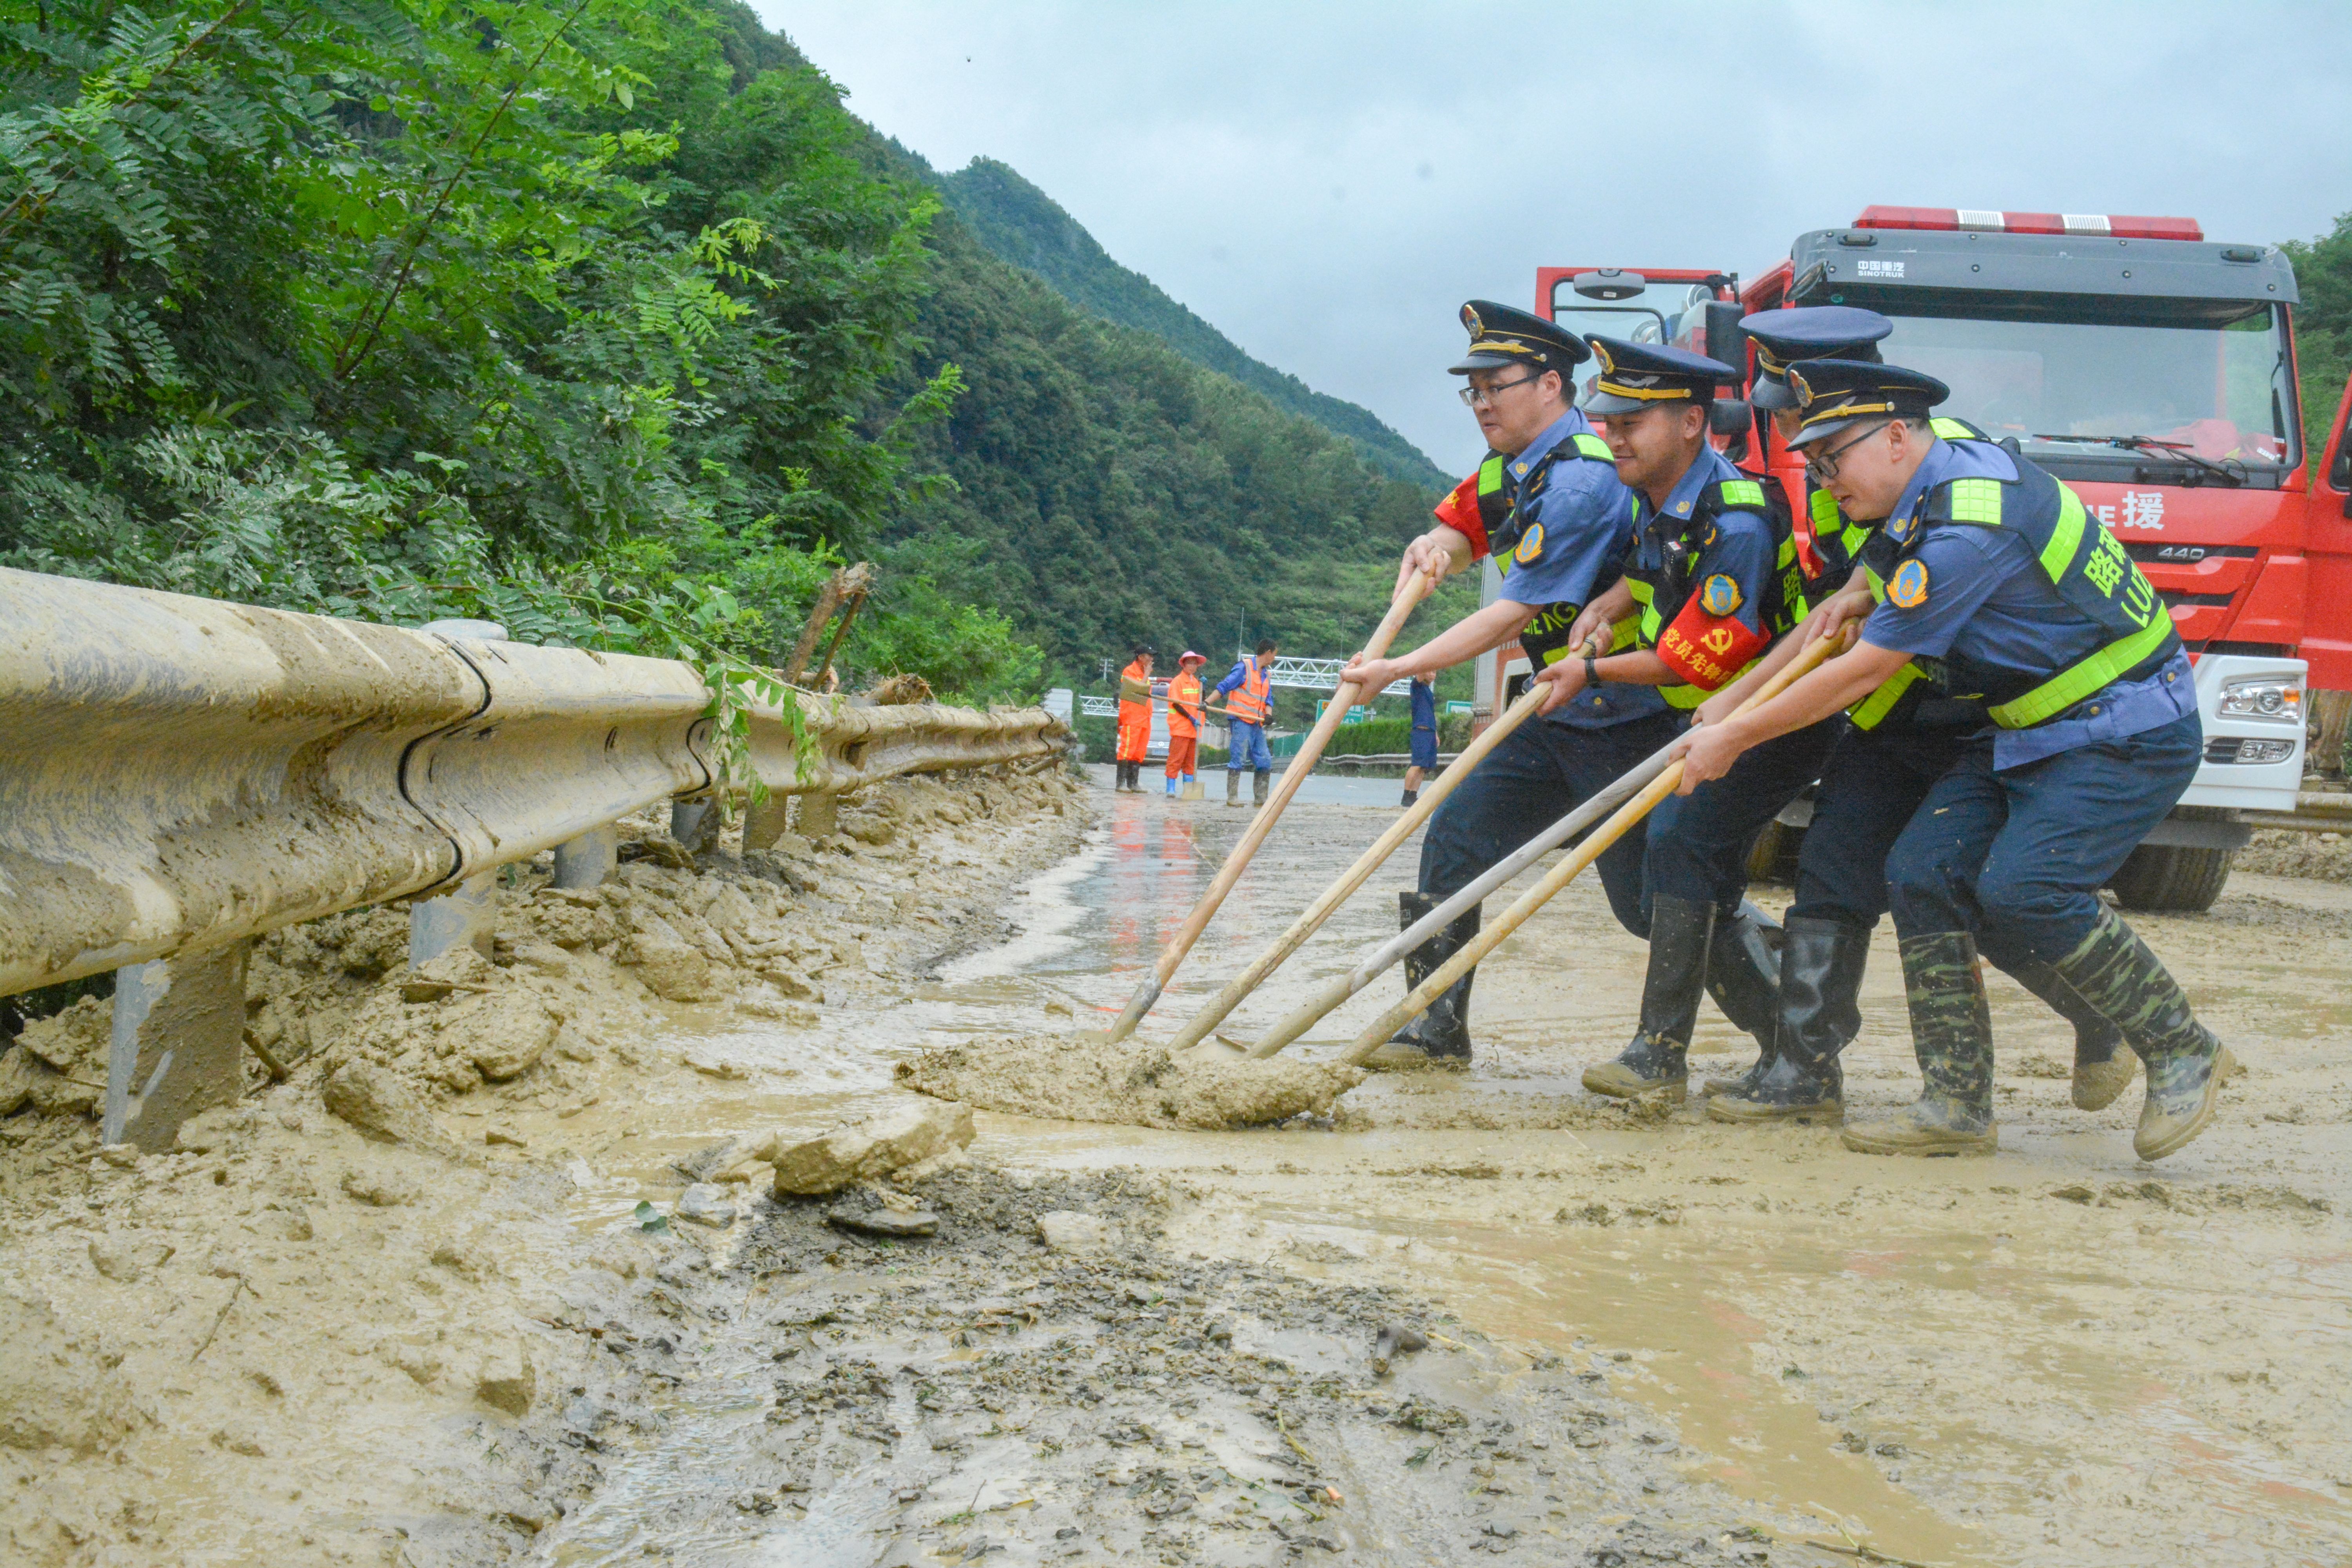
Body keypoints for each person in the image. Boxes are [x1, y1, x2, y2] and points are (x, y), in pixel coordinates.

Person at [1677, 358, 2226, 1161]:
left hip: (2123, 730)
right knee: (1923, 869)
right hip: (2026, 728)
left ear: (1897, 435)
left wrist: (1733, 735)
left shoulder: (1968, 529)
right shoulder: (1936, 468)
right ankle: (1958, 1103)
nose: (1823, 480)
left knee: (2025, 888)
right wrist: (1746, 688)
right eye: (1813, 463)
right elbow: (1864, 591)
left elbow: (1863, 671)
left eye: (1833, 459)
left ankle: (2185, 1048)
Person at [1342, 301, 1687, 1071]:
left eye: (1497, 385)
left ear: (1551, 386)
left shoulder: (1585, 478)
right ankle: (1434, 1029)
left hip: (1631, 714)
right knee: (1458, 833)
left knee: (1650, 902)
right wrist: (1434, 547)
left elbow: (1512, 613)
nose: (1483, 403)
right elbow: (1465, 524)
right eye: (1473, 390)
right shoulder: (1513, 465)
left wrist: (1400, 666)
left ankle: (1797, 1034)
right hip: (1556, 706)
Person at [1499, 336, 1795, 1102]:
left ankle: (1665, 1055)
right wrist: (1607, 605)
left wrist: (1590, 669)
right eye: (1607, 420)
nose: (1614, 435)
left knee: (1678, 849)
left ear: (1693, 422)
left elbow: (1693, 659)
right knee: (1682, 884)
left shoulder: (1737, 522)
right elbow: (1647, 570)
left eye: (1633, 422)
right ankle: (1799, 1044)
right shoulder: (1656, 498)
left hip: (1774, 719)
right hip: (1706, 717)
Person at [1215, 639, 1278, 807]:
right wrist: (1206, 703)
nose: (1274, 659)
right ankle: (1232, 798)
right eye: (1274, 655)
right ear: (1268, 653)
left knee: (1265, 761)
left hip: (1257, 725)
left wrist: (1269, 715)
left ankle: (1261, 799)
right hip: (1241, 721)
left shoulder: (1267, 675)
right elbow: (1224, 686)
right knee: (1238, 759)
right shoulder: (1244, 668)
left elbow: (1268, 699)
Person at [1165, 650, 1209, 797]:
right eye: (1189, 663)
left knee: (1191, 763)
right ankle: (1171, 789)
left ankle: (1188, 791)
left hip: (1194, 731)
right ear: (1183, 664)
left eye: (1195, 663)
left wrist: (1205, 689)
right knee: (1176, 760)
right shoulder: (1178, 682)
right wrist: (1191, 718)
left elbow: (1202, 703)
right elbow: (1177, 705)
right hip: (1181, 728)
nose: (1192, 666)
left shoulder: (1197, 682)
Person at [1114, 645, 1154, 792]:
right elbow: (1136, 691)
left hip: (1145, 717)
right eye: (1149, 656)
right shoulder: (1129, 671)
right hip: (1132, 716)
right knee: (1127, 749)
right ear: (1140, 657)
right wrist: (1146, 675)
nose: (1151, 659)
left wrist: (1146, 674)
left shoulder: (1145, 673)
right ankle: (1121, 783)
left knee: (1139, 751)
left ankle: (1133, 783)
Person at [1401, 673, 1438, 807]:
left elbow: (1431, 713)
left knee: (1424, 767)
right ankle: (1406, 795)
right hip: (1420, 731)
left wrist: (1436, 734)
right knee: (1417, 764)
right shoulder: (1416, 686)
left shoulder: (1429, 691)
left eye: (1435, 672)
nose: (1432, 675)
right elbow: (1421, 671)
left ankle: (1413, 795)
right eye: (1430, 671)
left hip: (1430, 731)